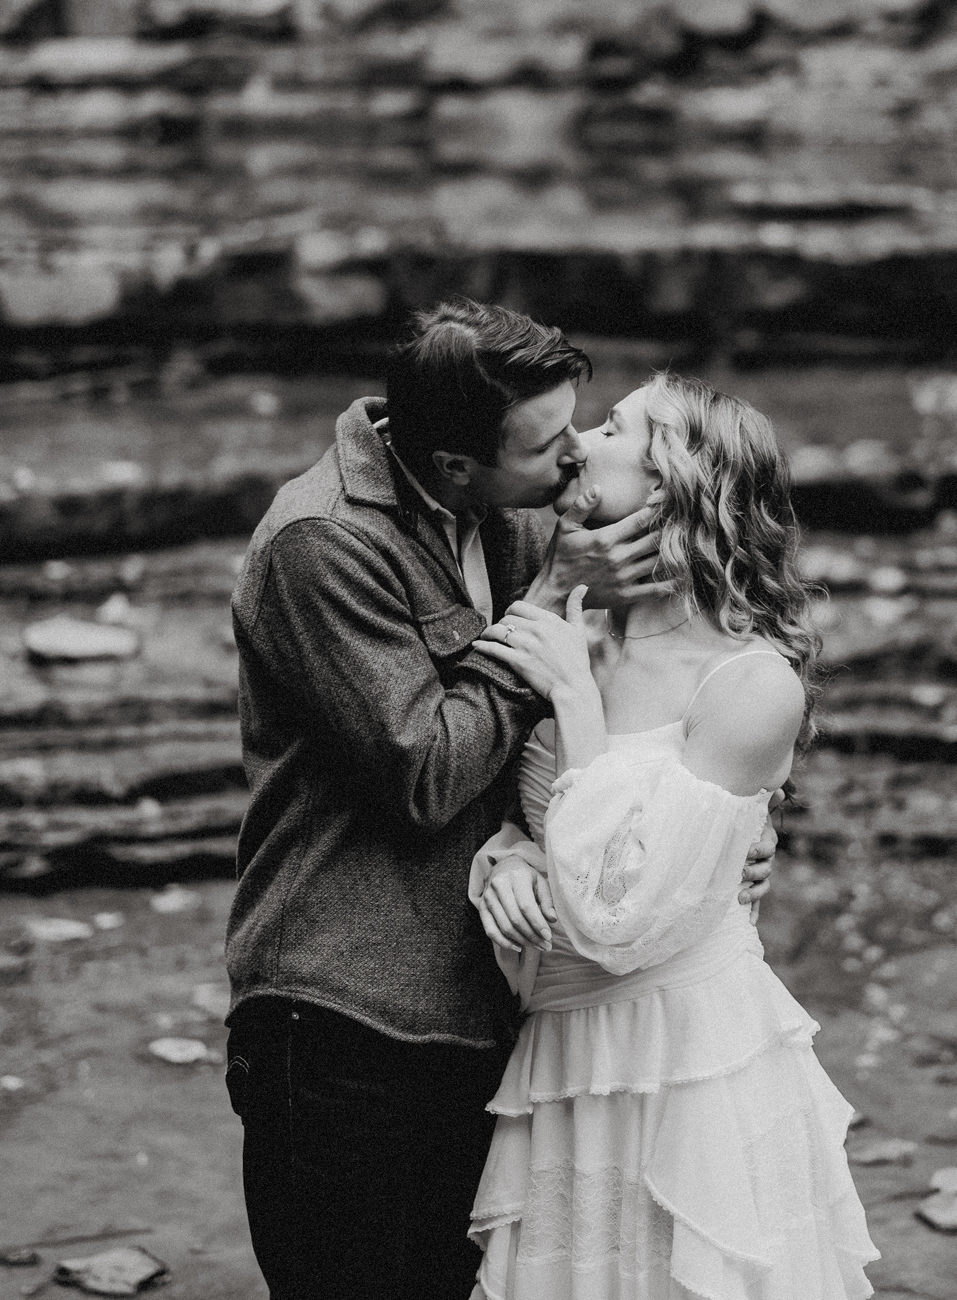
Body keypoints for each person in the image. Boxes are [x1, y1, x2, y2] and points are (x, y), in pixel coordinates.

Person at [224, 301, 775, 1300]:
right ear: (455, 464)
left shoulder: (523, 507)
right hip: (346, 1015)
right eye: (545, 441)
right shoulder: (322, 543)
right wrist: (542, 611)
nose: (574, 454)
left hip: (495, 1012)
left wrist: (729, 828)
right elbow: (428, 771)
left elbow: (672, 693)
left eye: (579, 423)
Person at [464, 372, 878, 1300]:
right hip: (563, 1053)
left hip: (685, 1056)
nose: (578, 441)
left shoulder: (750, 685)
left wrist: (574, 698)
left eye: (612, 427)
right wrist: (507, 859)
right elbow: (505, 802)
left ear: (670, 481)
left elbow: (621, 917)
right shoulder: (571, 619)